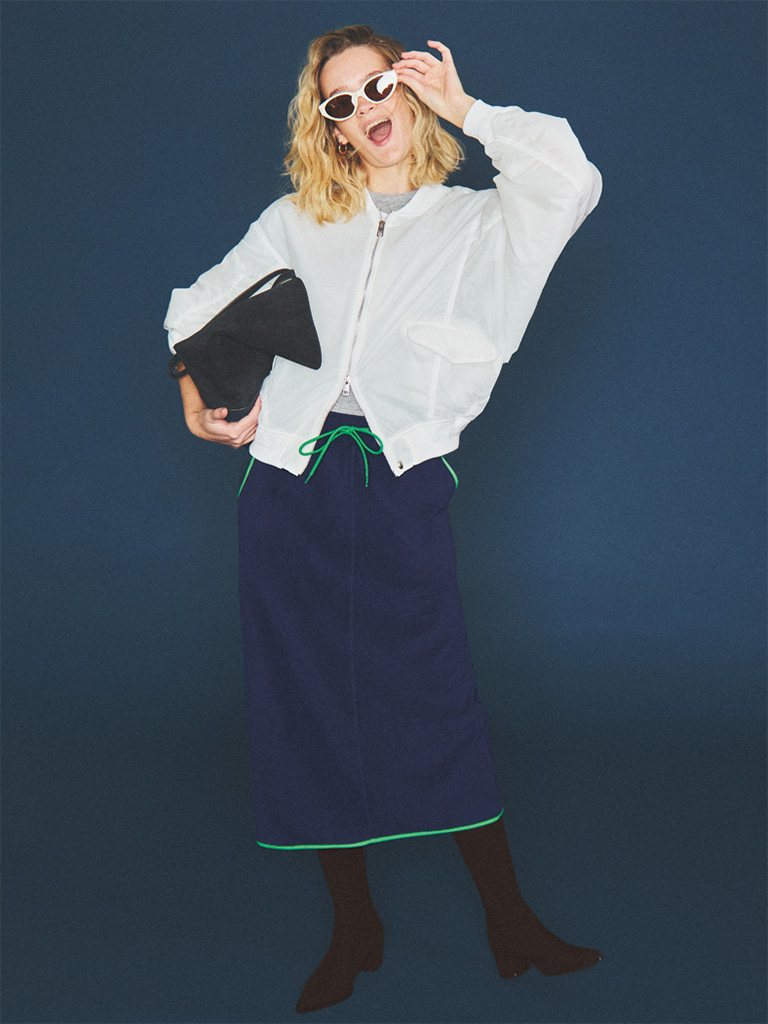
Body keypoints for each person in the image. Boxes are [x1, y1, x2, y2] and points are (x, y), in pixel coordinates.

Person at [165, 24, 603, 1015]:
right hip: (289, 485)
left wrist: (471, 110)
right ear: (328, 127)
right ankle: (355, 927)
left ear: (409, 93)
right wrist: (194, 385)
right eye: (342, 102)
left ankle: (510, 920)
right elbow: (199, 308)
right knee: (307, 701)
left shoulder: (486, 223)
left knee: (433, 694)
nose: (366, 110)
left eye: (379, 87)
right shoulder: (296, 222)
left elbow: (570, 178)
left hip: (398, 480)